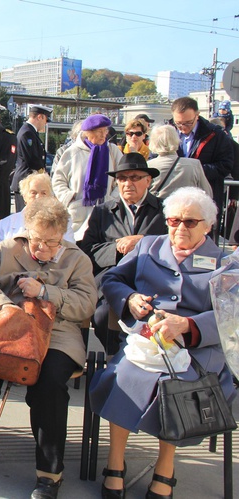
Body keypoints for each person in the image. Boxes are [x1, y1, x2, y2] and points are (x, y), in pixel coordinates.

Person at [89, 186, 236, 499]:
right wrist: (129, 299)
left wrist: (189, 324)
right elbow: (113, 279)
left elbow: (231, 315)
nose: (179, 228)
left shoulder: (224, 262)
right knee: (124, 375)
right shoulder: (149, 247)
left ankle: (165, 469)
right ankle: (115, 464)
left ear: (208, 225)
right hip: (148, 343)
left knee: (178, 385)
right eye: (173, 221)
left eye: (189, 222)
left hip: (196, 350)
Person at [0, 197, 96, 498]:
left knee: (50, 386)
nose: (41, 248)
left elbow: (86, 305)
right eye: (36, 239)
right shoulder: (7, 249)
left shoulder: (77, 259)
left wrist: (46, 291)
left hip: (57, 333)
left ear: (63, 237)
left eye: (50, 242)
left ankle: (49, 474)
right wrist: (2, 306)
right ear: (26, 231)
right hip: (5, 326)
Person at [79, 153, 168, 355]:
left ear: (148, 180)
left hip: (152, 277)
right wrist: (117, 248)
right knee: (101, 314)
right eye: (122, 178)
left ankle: (148, 354)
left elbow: (174, 245)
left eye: (135, 177)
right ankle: (118, 354)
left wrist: (142, 242)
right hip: (112, 277)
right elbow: (88, 250)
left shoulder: (163, 210)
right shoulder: (103, 211)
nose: (128, 183)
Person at [52, 114, 122, 240]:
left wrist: (113, 198)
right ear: (88, 133)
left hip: (106, 213)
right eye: (100, 131)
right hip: (79, 215)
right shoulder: (73, 152)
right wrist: (70, 198)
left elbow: (121, 178)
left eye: (105, 131)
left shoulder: (112, 151)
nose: (104, 135)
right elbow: (58, 180)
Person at [170, 96, 234, 235]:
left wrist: (196, 170)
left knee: (202, 243)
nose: (183, 128)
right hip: (174, 199)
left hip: (203, 198)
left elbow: (226, 164)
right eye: (178, 123)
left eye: (188, 123)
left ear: (197, 115)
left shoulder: (215, 134)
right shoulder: (168, 132)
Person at [0, 172, 75, 246]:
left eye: (44, 193)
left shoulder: (64, 223)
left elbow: (69, 252)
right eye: (33, 193)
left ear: (51, 197)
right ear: (25, 197)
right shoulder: (5, 224)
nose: (38, 197)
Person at [147, 124, 212, 200]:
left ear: (153, 142)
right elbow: (207, 194)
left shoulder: (148, 166)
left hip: (157, 209)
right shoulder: (194, 165)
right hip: (186, 208)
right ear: (177, 139)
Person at [12, 104, 53, 212]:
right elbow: (32, 160)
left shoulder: (31, 132)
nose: (45, 124)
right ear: (40, 117)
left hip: (31, 182)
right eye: (46, 120)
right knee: (25, 218)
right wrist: (43, 175)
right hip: (27, 181)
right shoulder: (27, 133)